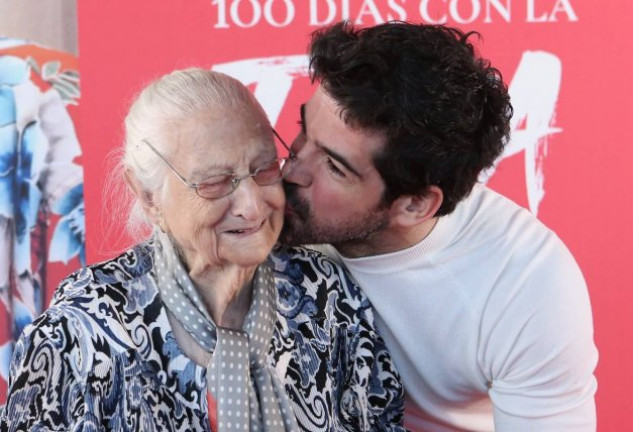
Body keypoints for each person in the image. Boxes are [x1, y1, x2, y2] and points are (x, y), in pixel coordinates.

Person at [0, 68, 405, 431]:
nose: (252, 205)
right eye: (215, 182)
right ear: (148, 196)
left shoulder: (326, 295)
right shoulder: (82, 331)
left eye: (263, 168)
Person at [280, 21, 598, 431]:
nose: (291, 170)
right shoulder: (253, 203)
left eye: (335, 167)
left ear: (414, 205)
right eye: (304, 131)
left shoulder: (524, 283)